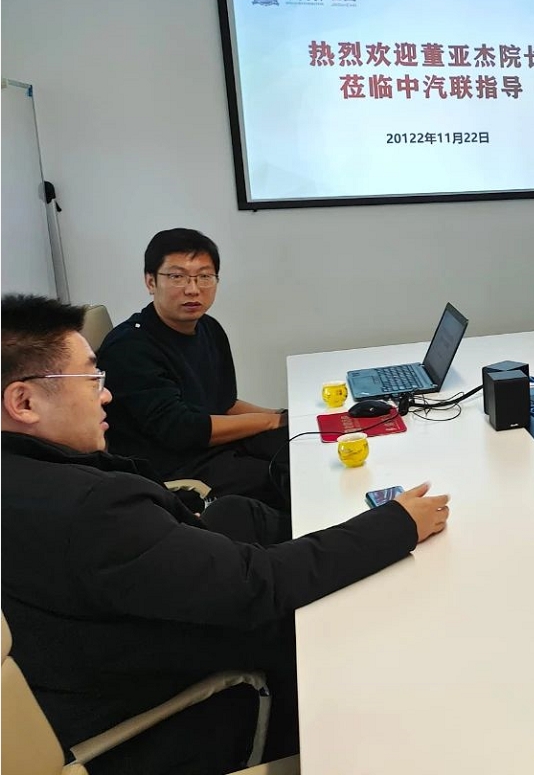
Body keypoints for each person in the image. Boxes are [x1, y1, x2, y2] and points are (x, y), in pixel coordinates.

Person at [1, 294, 450, 775]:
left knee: (243, 514)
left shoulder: (26, 480)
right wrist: (398, 523)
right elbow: (259, 585)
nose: (106, 395)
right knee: (373, 628)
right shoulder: (91, 509)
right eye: (92, 379)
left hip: (102, 658)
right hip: (183, 713)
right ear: (24, 402)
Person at [98, 228, 288, 506]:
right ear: (150, 282)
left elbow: (224, 403)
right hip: (173, 467)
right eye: (177, 277)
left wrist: (284, 417)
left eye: (204, 276)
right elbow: (181, 430)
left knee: (300, 443)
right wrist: (270, 421)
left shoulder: (209, 328)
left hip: (213, 447)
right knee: (285, 479)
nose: (192, 289)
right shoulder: (129, 347)